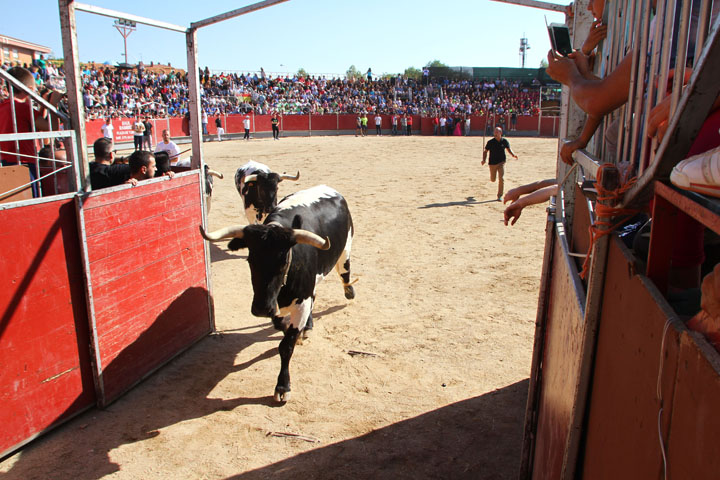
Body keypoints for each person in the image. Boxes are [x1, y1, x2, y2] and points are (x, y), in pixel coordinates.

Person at [0, 66, 61, 197]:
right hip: (25, 164)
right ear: (30, 89)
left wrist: (44, 105)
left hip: (7, 163)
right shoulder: (22, 108)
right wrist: (54, 104)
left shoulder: (4, 106)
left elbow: (32, 123)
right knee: (32, 201)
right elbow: (52, 127)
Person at [482, 127, 518, 201]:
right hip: (492, 163)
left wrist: (513, 154)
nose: (495, 133)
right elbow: (485, 151)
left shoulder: (504, 141)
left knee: (501, 178)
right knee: (493, 179)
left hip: (501, 162)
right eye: (494, 132)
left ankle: (499, 195)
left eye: (497, 132)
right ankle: (493, 179)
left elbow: (508, 149)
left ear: (500, 133)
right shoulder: (490, 142)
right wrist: (483, 160)